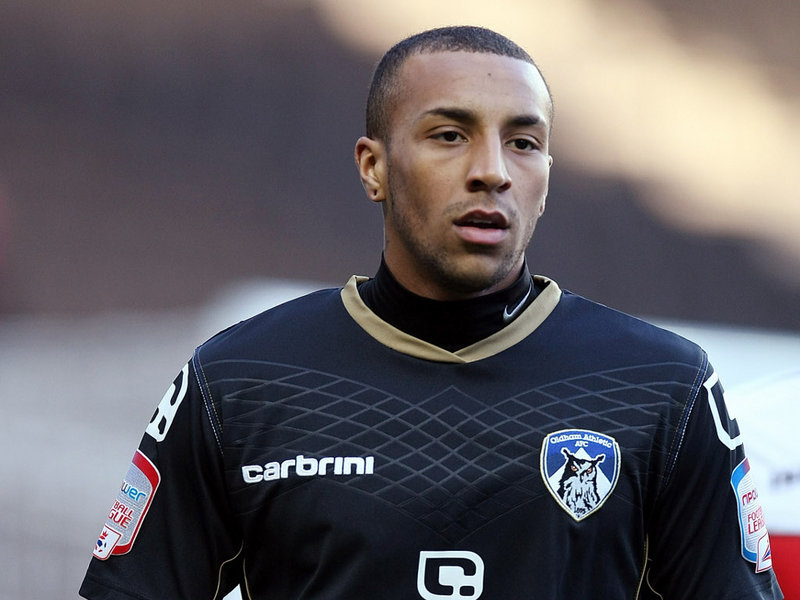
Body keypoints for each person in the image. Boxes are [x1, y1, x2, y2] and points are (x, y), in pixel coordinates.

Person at [80, 26, 783, 599]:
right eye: (450, 135)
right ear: (372, 167)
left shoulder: (663, 385)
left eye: (524, 142)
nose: (493, 170)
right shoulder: (239, 380)